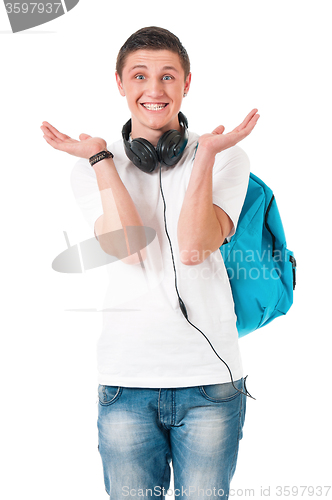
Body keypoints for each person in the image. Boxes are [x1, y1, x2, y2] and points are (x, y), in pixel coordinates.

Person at [41, 26, 259, 500]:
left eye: (168, 77)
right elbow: (130, 249)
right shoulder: (91, 165)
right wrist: (101, 157)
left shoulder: (225, 158)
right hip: (125, 381)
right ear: (120, 83)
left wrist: (202, 160)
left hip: (210, 384)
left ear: (187, 84)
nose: (154, 90)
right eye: (140, 76)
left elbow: (194, 248)